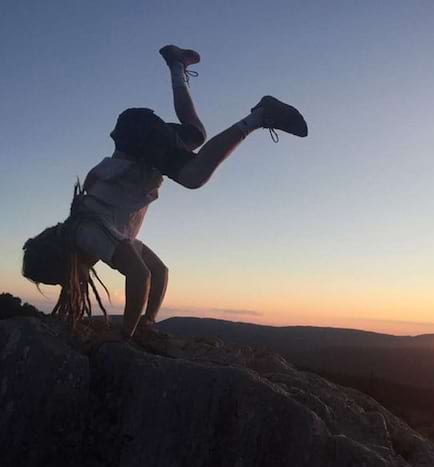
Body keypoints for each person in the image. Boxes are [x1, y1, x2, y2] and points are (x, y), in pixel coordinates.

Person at [71, 45, 307, 340]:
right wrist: (146, 322)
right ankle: (177, 66)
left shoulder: (89, 234)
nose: (79, 282)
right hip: (136, 138)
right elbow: (155, 274)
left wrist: (124, 337)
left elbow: (138, 275)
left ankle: (261, 115)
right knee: (195, 134)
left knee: (193, 176)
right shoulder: (109, 234)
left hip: (136, 140)